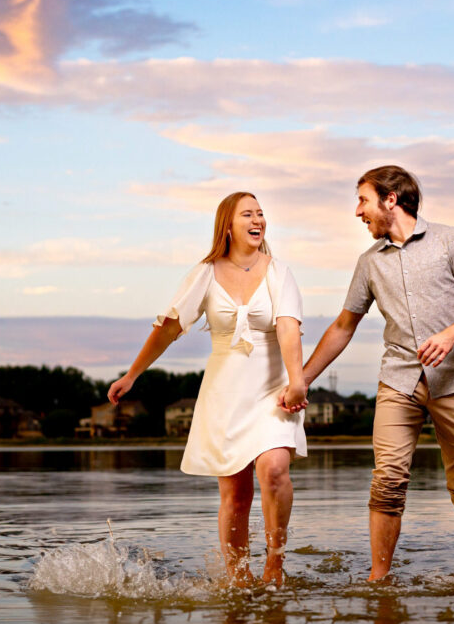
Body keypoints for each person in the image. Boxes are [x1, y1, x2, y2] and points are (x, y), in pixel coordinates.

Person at [282, 165, 454, 581]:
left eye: (363, 200)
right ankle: (378, 579)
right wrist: (302, 379)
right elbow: (343, 326)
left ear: (390, 200)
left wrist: (450, 335)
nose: (358, 212)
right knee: (387, 481)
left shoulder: (451, 240)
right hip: (399, 381)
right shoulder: (369, 263)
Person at [109, 192, 308, 587]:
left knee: (273, 469)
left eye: (261, 214)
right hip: (224, 394)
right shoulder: (205, 273)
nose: (258, 220)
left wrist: (296, 380)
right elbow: (168, 327)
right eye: (247, 214)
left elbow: (288, 328)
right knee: (235, 494)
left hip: (273, 390)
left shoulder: (279, 272)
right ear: (228, 226)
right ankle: (238, 578)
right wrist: (132, 375)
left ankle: (274, 566)